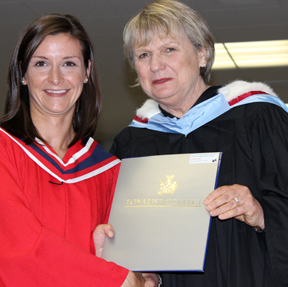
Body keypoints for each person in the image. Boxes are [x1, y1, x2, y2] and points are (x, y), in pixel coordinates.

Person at [109, 1, 288, 286]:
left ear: (202, 54)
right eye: (143, 55)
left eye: (169, 49)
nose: (156, 65)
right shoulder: (130, 146)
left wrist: (261, 214)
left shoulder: (258, 117)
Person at [0, 13, 158, 287]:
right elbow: (17, 247)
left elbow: (128, 261)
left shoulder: (109, 172)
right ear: (22, 74)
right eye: (41, 63)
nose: (55, 78)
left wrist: (149, 277)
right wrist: (116, 278)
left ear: (87, 72)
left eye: (69, 64)